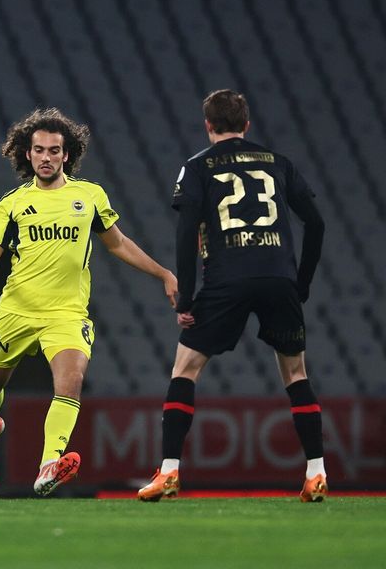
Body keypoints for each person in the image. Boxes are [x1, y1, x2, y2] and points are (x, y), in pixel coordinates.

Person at [0, 107, 177, 496]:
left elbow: (118, 244)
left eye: (54, 150)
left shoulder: (89, 196)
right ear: (27, 154)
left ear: (66, 154)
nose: (46, 157)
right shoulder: (12, 204)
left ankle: (49, 465)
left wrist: (163, 273)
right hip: (16, 310)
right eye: (39, 150)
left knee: (71, 380)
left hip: (66, 313)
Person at [136, 89, 327, 502]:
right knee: (296, 374)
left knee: (185, 369)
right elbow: (316, 224)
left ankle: (169, 471)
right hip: (279, 278)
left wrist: (186, 299)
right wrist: (302, 283)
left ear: (208, 125)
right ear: (247, 124)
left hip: (227, 278)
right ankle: (316, 472)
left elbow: (187, 234)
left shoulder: (196, 167)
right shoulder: (278, 162)